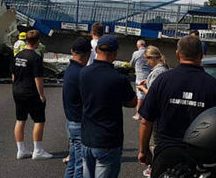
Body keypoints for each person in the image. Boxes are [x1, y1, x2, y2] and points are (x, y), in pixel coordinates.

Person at [137, 35, 216, 178]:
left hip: (167, 154)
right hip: (201, 159)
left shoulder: (162, 81)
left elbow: (146, 121)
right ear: (201, 55)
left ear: (177, 54)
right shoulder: (215, 87)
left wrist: (143, 150)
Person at [79, 35, 137, 178]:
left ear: (97, 49)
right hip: (108, 139)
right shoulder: (118, 78)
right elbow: (132, 102)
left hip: (87, 138)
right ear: (115, 53)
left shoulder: (83, 73)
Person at [11, 30, 53, 160]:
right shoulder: (35, 57)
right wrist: (41, 95)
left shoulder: (18, 56)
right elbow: (38, 78)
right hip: (31, 92)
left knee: (20, 120)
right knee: (39, 121)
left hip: (17, 91)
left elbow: (13, 76)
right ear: (37, 42)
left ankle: (21, 150)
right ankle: (38, 150)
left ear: (26, 41)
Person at [135, 46, 168, 177]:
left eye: (147, 60)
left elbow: (154, 96)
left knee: (154, 142)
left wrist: (143, 89)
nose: (147, 63)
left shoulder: (157, 72)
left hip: (156, 115)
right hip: (162, 114)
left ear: (152, 58)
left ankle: (154, 169)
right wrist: (147, 82)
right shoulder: (164, 69)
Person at [63, 37, 92, 178]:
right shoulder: (83, 74)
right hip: (80, 122)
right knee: (81, 167)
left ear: (72, 51)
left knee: (73, 164)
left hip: (71, 121)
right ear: (88, 54)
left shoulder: (70, 70)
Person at [130, 39, 151, 120]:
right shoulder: (149, 52)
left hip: (140, 77)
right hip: (149, 76)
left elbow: (131, 64)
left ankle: (138, 114)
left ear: (138, 46)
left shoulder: (136, 53)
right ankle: (147, 112)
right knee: (148, 95)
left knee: (140, 96)